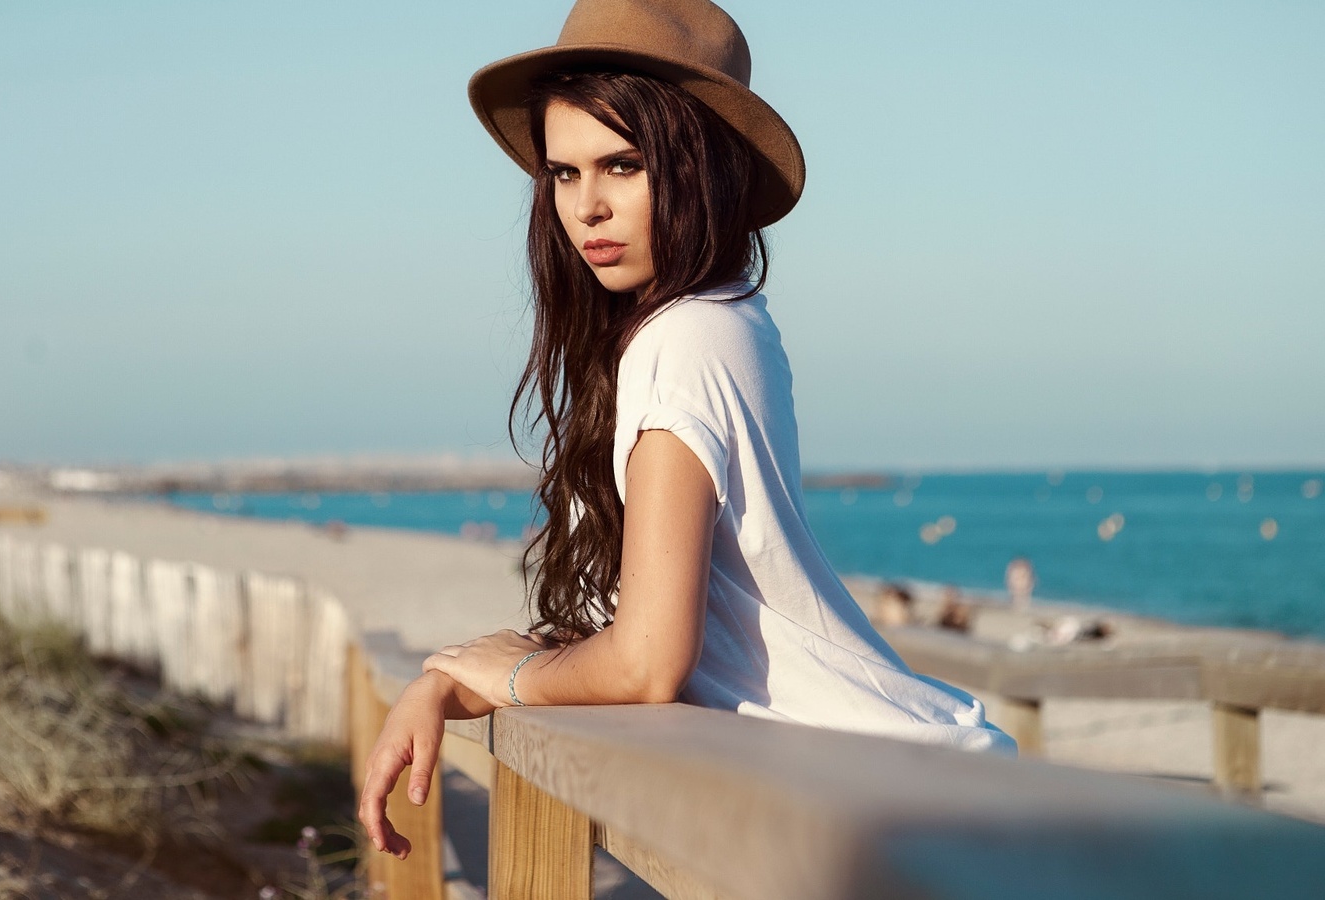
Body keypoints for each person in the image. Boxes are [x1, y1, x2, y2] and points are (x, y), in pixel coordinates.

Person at [358, 0, 1015, 860]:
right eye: (563, 173)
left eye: (622, 165)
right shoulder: (719, 321)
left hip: (908, 820)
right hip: (890, 800)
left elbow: (647, 661)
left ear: (699, 165)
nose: (586, 207)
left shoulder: (686, 338)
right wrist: (450, 681)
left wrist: (501, 677)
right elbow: (649, 626)